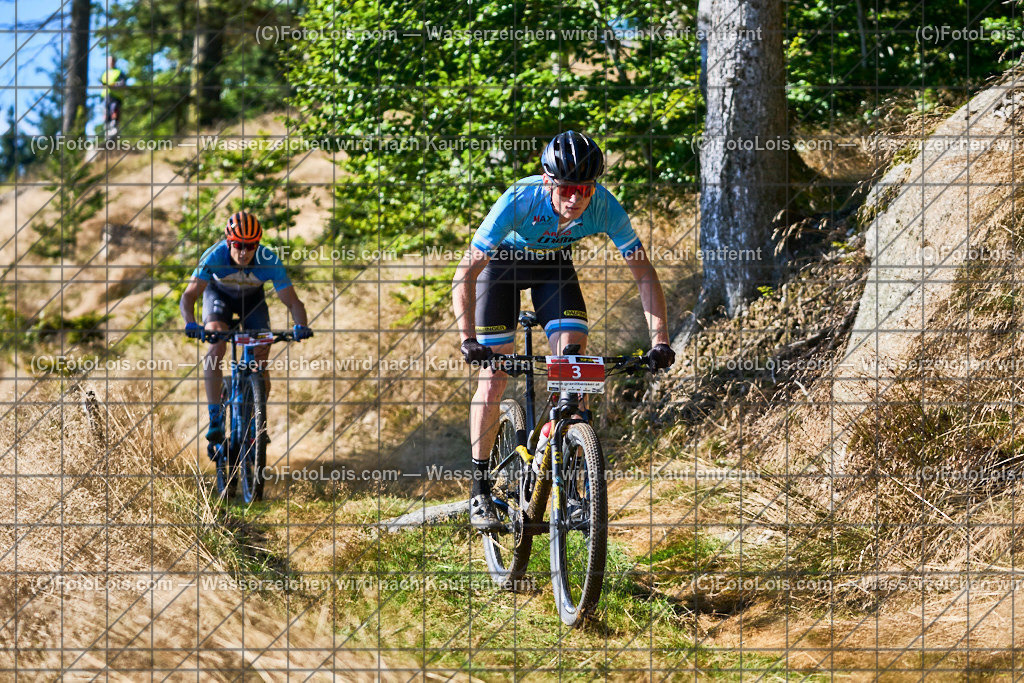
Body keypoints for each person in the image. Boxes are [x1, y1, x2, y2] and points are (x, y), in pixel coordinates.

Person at [452, 130, 676, 531]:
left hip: (552, 269)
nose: (576, 199)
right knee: (495, 375)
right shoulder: (519, 199)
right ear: (547, 180)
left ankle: (572, 484)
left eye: (585, 189)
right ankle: (481, 488)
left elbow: (644, 274)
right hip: (500, 269)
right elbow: (465, 273)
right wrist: (467, 337)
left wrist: (660, 340)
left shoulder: (605, 206)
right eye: (568, 188)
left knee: (575, 369)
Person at [179, 211, 313, 444]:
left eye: (250, 246)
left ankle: (256, 423)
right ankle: (215, 418)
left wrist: (301, 325)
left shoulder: (269, 260)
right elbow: (189, 295)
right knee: (216, 344)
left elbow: (293, 301)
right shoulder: (214, 256)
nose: (244, 252)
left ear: (257, 244)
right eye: (238, 245)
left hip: (253, 302)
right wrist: (191, 322)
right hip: (218, 297)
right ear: (229, 242)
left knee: (261, 358)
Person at [100, 57, 126, 137]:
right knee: (106, 113)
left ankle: (115, 127)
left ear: (115, 61)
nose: (110, 63)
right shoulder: (105, 73)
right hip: (106, 96)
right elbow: (102, 84)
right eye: (109, 61)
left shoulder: (119, 72)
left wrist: (113, 85)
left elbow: (123, 83)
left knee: (114, 111)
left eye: (111, 61)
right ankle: (107, 130)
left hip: (116, 96)